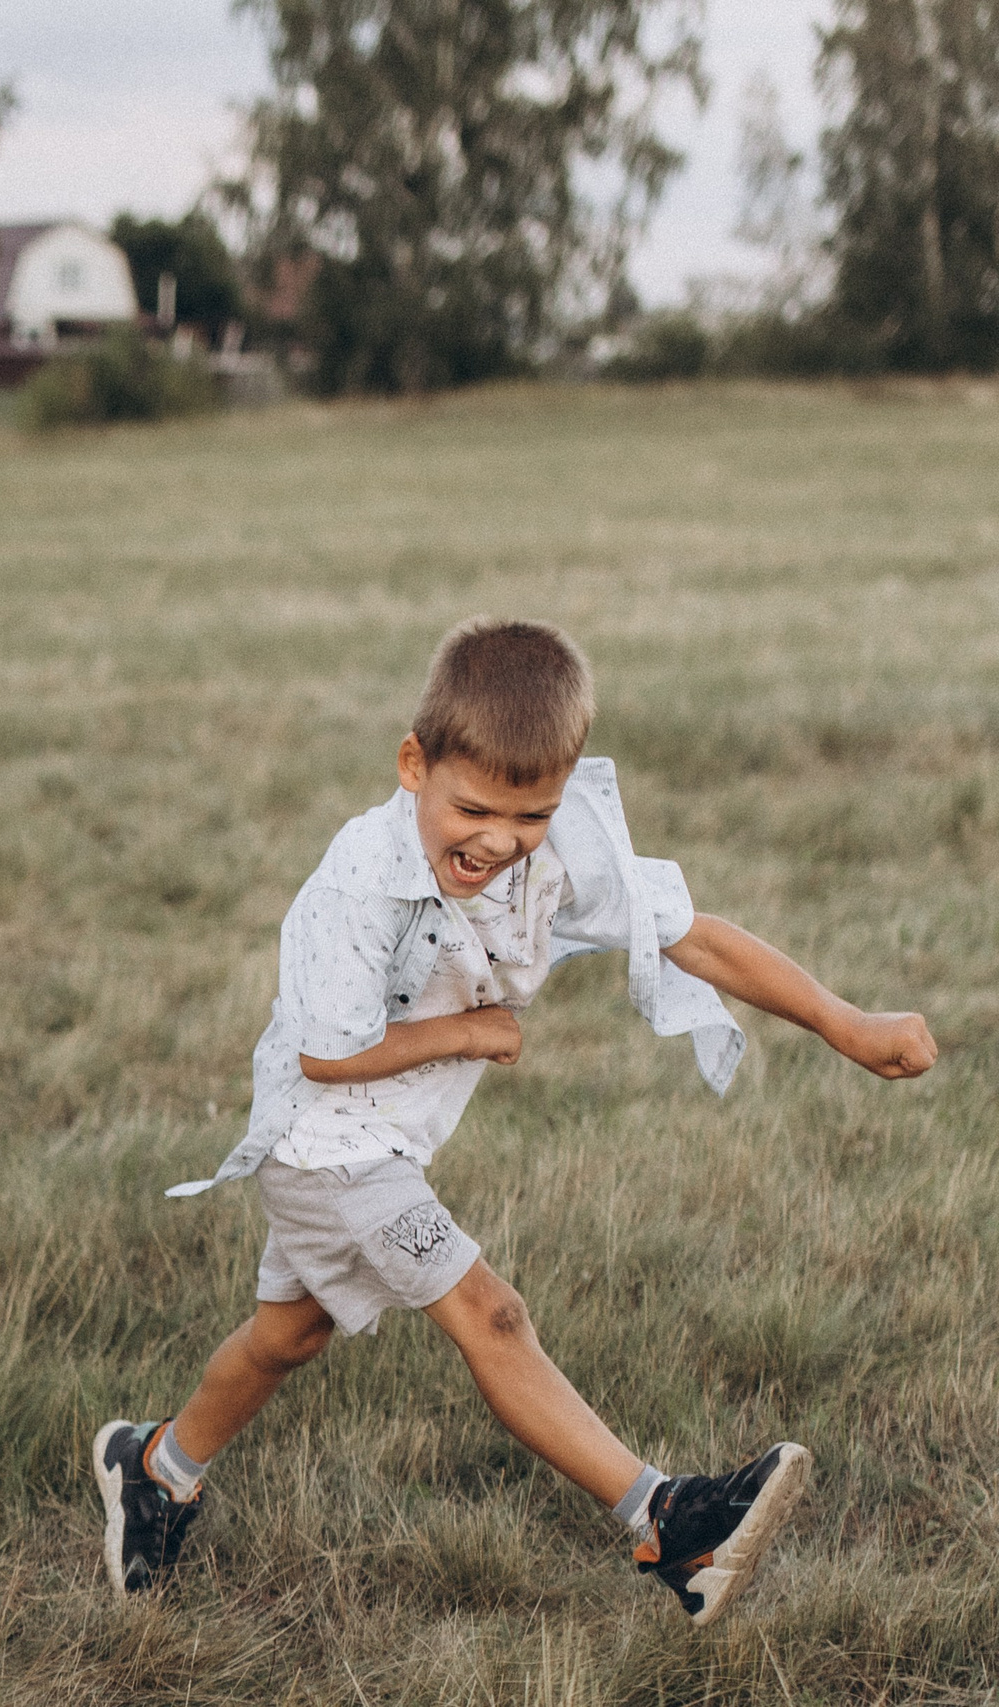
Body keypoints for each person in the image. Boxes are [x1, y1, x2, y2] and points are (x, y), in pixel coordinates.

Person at [97, 618, 936, 1626]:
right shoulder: (361, 881)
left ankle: (151, 1465)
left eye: (529, 814)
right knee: (490, 1314)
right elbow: (326, 1053)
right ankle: (668, 1522)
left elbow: (695, 940)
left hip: (390, 1142)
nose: (497, 842)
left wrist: (846, 1024)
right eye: (474, 808)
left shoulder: (552, 848)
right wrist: (467, 1031)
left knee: (289, 1336)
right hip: (324, 1147)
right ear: (415, 765)